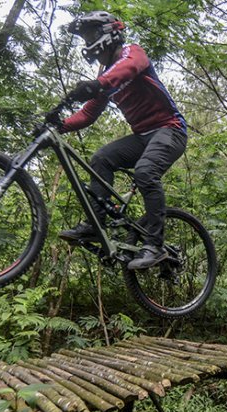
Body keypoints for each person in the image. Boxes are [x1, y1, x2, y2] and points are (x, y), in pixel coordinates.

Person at [55, 11, 187, 271]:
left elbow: (129, 67)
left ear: (108, 33)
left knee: (146, 171)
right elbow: (88, 114)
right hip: (143, 137)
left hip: (170, 130)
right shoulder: (107, 76)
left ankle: (155, 245)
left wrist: (96, 84)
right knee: (101, 158)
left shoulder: (132, 53)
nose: (87, 42)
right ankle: (96, 223)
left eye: (91, 35)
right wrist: (58, 125)